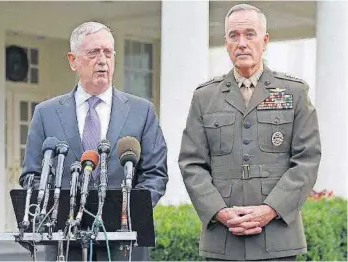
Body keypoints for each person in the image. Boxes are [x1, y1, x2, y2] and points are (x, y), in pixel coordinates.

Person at [178, 4, 321, 261]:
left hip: (277, 238)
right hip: (223, 239)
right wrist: (219, 211)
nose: (241, 43)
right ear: (226, 43)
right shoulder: (205, 97)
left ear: (265, 41)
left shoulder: (294, 92)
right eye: (234, 36)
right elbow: (192, 163)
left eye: (250, 34)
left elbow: (307, 160)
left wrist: (271, 209)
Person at [19, 21, 168, 261]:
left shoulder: (142, 112)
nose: (102, 60)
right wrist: (55, 210)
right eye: (93, 53)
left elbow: (155, 175)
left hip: (124, 246)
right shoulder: (45, 113)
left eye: (108, 52)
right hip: (64, 246)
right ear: (72, 60)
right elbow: (31, 175)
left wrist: (126, 213)